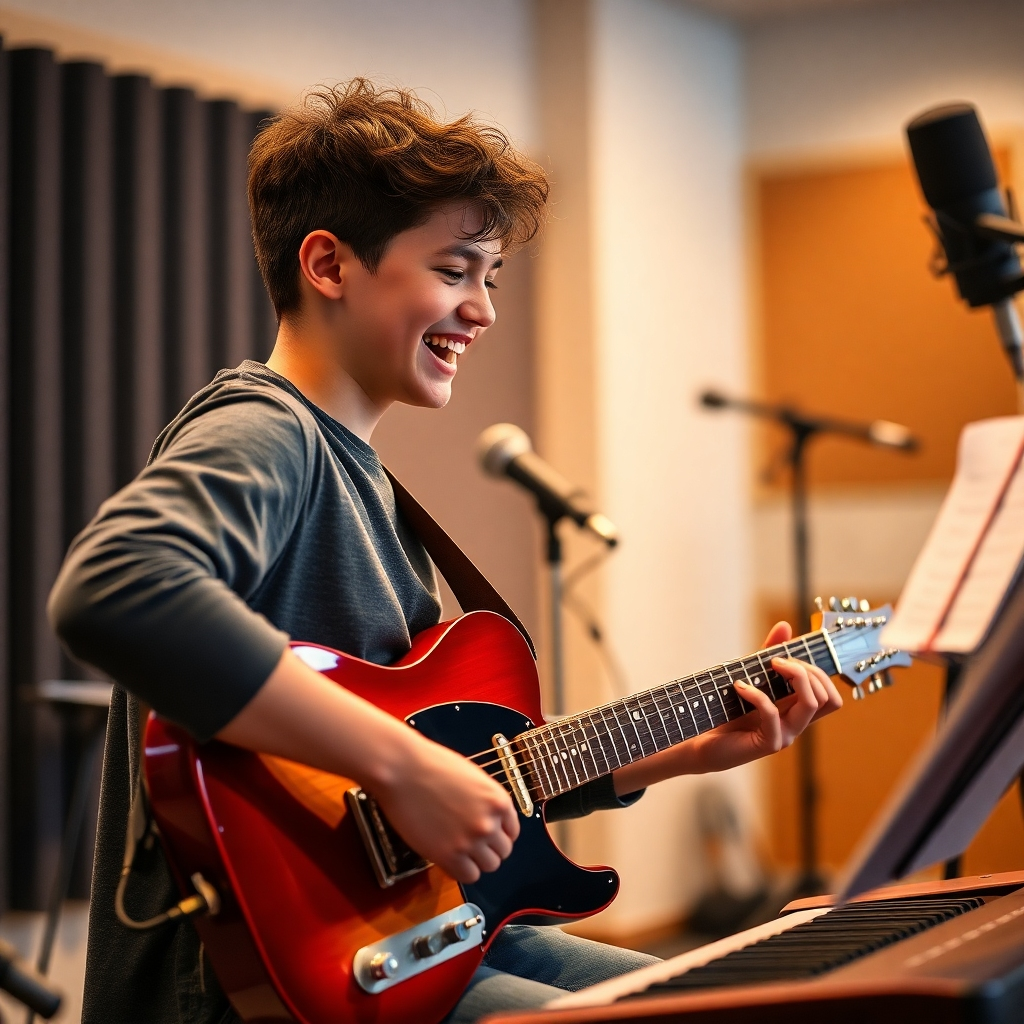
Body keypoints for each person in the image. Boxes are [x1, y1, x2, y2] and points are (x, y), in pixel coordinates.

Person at [48, 79, 842, 1024]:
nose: (483, 310)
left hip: (417, 925)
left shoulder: (367, 483)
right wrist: (402, 766)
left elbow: (453, 790)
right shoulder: (265, 428)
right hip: (248, 979)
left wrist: (685, 753)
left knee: (745, 994)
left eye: (491, 279)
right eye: (457, 269)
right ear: (330, 265)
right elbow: (117, 586)